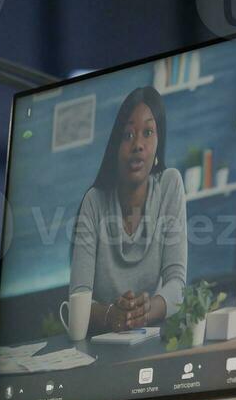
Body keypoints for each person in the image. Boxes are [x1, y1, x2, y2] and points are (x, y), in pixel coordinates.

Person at [69, 85, 188, 334]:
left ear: (159, 142)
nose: (138, 145)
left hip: (149, 339)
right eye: (128, 135)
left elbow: (177, 285)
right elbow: (79, 297)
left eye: (148, 132)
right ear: (116, 147)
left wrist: (143, 312)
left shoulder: (170, 185)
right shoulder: (94, 201)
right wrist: (113, 315)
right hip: (101, 344)